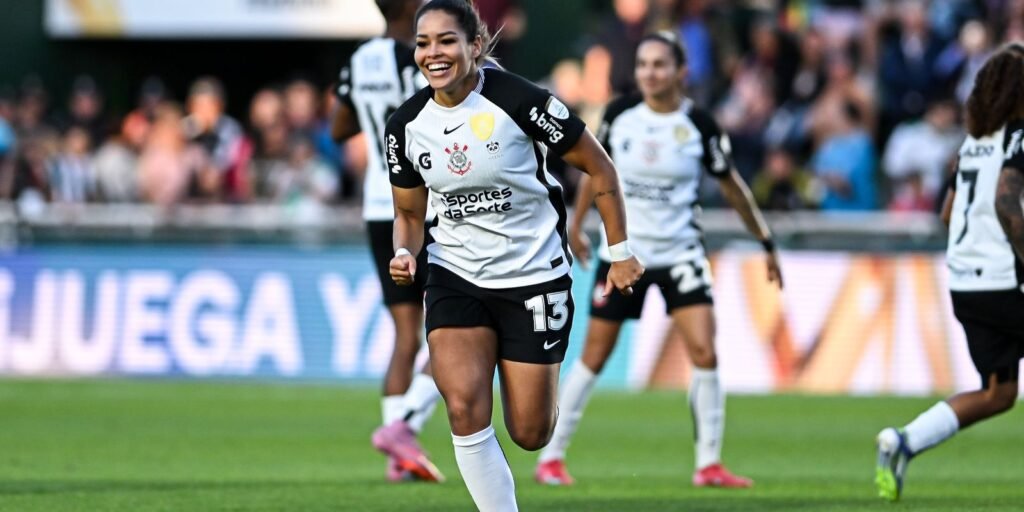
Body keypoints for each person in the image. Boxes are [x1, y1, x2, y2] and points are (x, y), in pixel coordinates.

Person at [387, 1, 645, 509]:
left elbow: (600, 167)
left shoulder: (521, 100)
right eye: (423, 43)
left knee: (530, 431)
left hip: (533, 275)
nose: (433, 53)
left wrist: (620, 252)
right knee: (464, 407)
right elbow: (410, 213)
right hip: (455, 272)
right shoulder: (406, 124)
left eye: (446, 40)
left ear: (474, 45)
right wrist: (403, 250)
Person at [534, 32, 783, 488]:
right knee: (594, 355)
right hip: (624, 255)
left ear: (680, 72)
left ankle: (708, 464)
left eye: (660, 64)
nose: (649, 73)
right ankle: (551, 457)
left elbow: (732, 186)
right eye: (644, 64)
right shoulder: (619, 115)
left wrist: (764, 240)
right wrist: (577, 224)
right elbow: (594, 172)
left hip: (681, 254)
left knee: (705, 352)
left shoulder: (700, 125)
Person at [875, 43, 1024, 502]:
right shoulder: (1018, 137)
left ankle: (904, 441)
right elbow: (1006, 201)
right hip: (1004, 280)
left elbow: (946, 213)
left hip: (965, 284)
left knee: (999, 393)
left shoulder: (971, 145)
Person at [332, 0, 446, 483]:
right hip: (426, 208)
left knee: (405, 335)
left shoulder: (361, 58)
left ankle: (397, 460)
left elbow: (339, 126)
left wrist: (371, 114)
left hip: (378, 206)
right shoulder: (425, 57)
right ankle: (404, 429)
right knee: (460, 328)